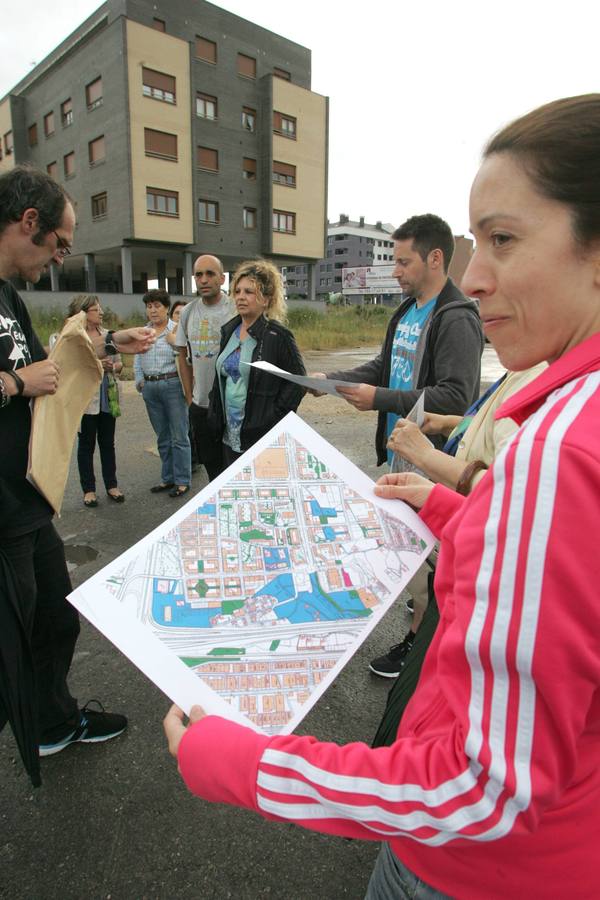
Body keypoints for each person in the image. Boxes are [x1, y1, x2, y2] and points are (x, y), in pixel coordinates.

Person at [164, 94, 600, 899]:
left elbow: (483, 789)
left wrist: (243, 763)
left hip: (474, 873)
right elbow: (571, 581)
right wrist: (454, 511)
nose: (475, 273)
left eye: (503, 238)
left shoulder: (561, 447)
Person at [0, 165, 154, 767]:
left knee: (56, 620)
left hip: (26, 498)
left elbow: (53, 368)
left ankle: (52, 721)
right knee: (13, 641)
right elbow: (27, 378)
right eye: (60, 244)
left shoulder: (8, 294)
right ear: (28, 221)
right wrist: (13, 383)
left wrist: (111, 344)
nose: (61, 259)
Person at [368, 364, 546, 678]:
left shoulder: (542, 373)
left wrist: (425, 455)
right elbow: (494, 426)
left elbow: (513, 490)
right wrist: (453, 424)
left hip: (480, 552)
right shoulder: (525, 364)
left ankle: (417, 649)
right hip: (465, 535)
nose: (486, 315)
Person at [311, 213, 484, 465]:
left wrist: (378, 398)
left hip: (435, 466)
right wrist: (330, 380)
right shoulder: (405, 311)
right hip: (401, 456)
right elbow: (384, 366)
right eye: (395, 262)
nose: (395, 272)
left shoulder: (456, 318)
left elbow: (455, 397)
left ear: (435, 258)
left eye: (404, 262)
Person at [208, 258, 305, 466]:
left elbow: (297, 382)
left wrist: (271, 418)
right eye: (238, 291)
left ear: (266, 299)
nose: (241, 297)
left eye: (249, 292)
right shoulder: (229, 331)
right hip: (228, 434)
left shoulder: (278, 335)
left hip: (260, 437)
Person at [64, 295, 125, 508]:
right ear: (82, 313)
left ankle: (112, 486)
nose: (100, 313)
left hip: (108, 397)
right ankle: (88, 490)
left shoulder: (109, 335)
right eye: (95, 310)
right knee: (86, 445)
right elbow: (70, 368)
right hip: (85, 398)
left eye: (100, 309)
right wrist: (97, 364)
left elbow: (120, 365)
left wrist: (112, 367)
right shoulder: (73, 338)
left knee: (108, 443)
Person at [175, 255, 232, 481]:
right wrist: (190, 398)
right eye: (199, 275)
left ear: (222, 278)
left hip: (230, 406)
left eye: (210, 274)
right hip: (201, 406)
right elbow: (182, 354)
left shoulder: (235, 308)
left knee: (233, 466)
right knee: (211, 466)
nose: (204, 280)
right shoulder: (188, 311)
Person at [134, 289, 192, 498]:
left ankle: (183, 480)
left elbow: (186, 357)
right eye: (149, 306)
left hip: (172, 385)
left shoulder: (176, 329)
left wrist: (173, 341)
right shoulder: (143, 332)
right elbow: (137, 358)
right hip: (150, 387)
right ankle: (167, 478)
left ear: (167, 308)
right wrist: (140, 381)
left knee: (179, 436)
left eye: (157, 306)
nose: (153, 310)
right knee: (163, 437)